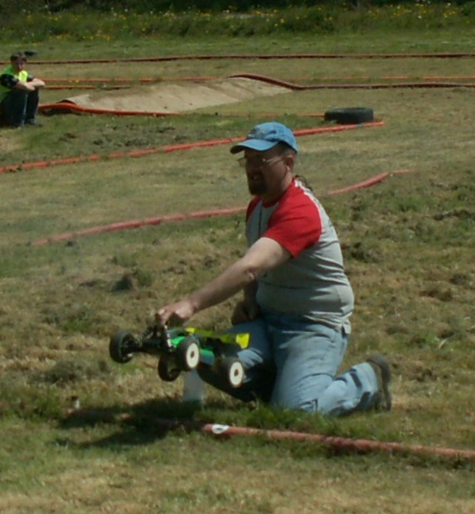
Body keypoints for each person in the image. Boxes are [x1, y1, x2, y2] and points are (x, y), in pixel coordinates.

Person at [154, 121, 392, 416]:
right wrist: (250, 301)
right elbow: (257, 265)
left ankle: (369, 380)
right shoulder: (258, 207)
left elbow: (250, 268)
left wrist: (191, 304)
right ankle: (284, 389)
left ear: (288, 162)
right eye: (248, 161)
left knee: (297, 411)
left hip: (313, 325)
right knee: (209, 361)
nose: (252, 168)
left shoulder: (300, 211)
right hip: (268, 321)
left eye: (262, 160)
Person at [0, 52, 45, 129]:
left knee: (32, 90)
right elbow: (25, 87)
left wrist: (30, 86)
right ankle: (17, 123)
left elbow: (41, 83)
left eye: (22, 64)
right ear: (11, 63)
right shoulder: (6, 76)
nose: (19, 67)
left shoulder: (24, 74)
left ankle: (29, 120)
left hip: (10, 105)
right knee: (21, 91)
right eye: (16, 64)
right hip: (1, 109)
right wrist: (30, 86)